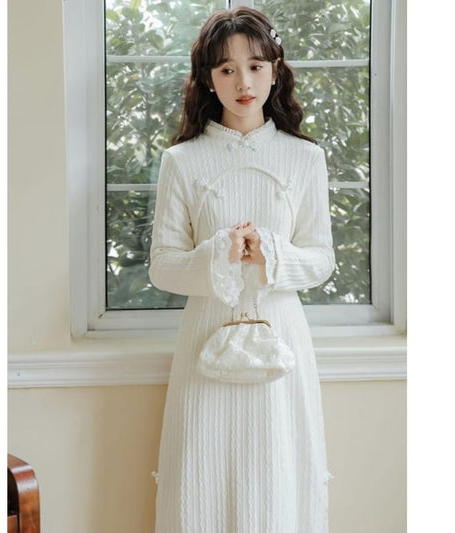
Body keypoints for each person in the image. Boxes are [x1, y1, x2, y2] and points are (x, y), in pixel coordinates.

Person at [148, 6, 335, 532]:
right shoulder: (181, 161)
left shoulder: (305, 158)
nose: (243, 83)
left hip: (283, 339)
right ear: (209, 79)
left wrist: (269, 252)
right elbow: (162, 266)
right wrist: (219, 254)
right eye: (227, 69)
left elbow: (321, 259)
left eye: (255, 66)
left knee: (280, 475)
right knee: (201, 476)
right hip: (205, 337)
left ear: (275, 70)